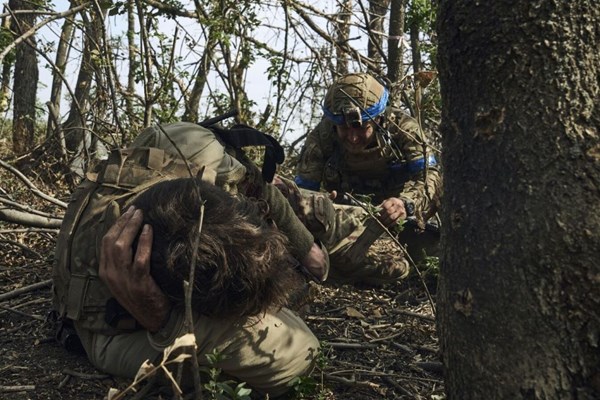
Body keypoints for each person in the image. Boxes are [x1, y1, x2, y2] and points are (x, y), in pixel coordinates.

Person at [52, 122, 328, 397]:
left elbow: (244, 178)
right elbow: (301, 356)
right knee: (302, 350)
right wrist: (164, 320)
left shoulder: (181, 161)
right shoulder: (123, 325)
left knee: (190, 139)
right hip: (113, 331)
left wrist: (302, 244)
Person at [290, 72, 442, 285]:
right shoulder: (322, 136)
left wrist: (405, 203)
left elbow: (430, 178)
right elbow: (301, 194)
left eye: (362, 128)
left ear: (378, 119)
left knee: (429, 261)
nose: (352, 138)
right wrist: (320, 203)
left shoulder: (403, 129)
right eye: (344, 129)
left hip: (404, 220)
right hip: (348, 222)